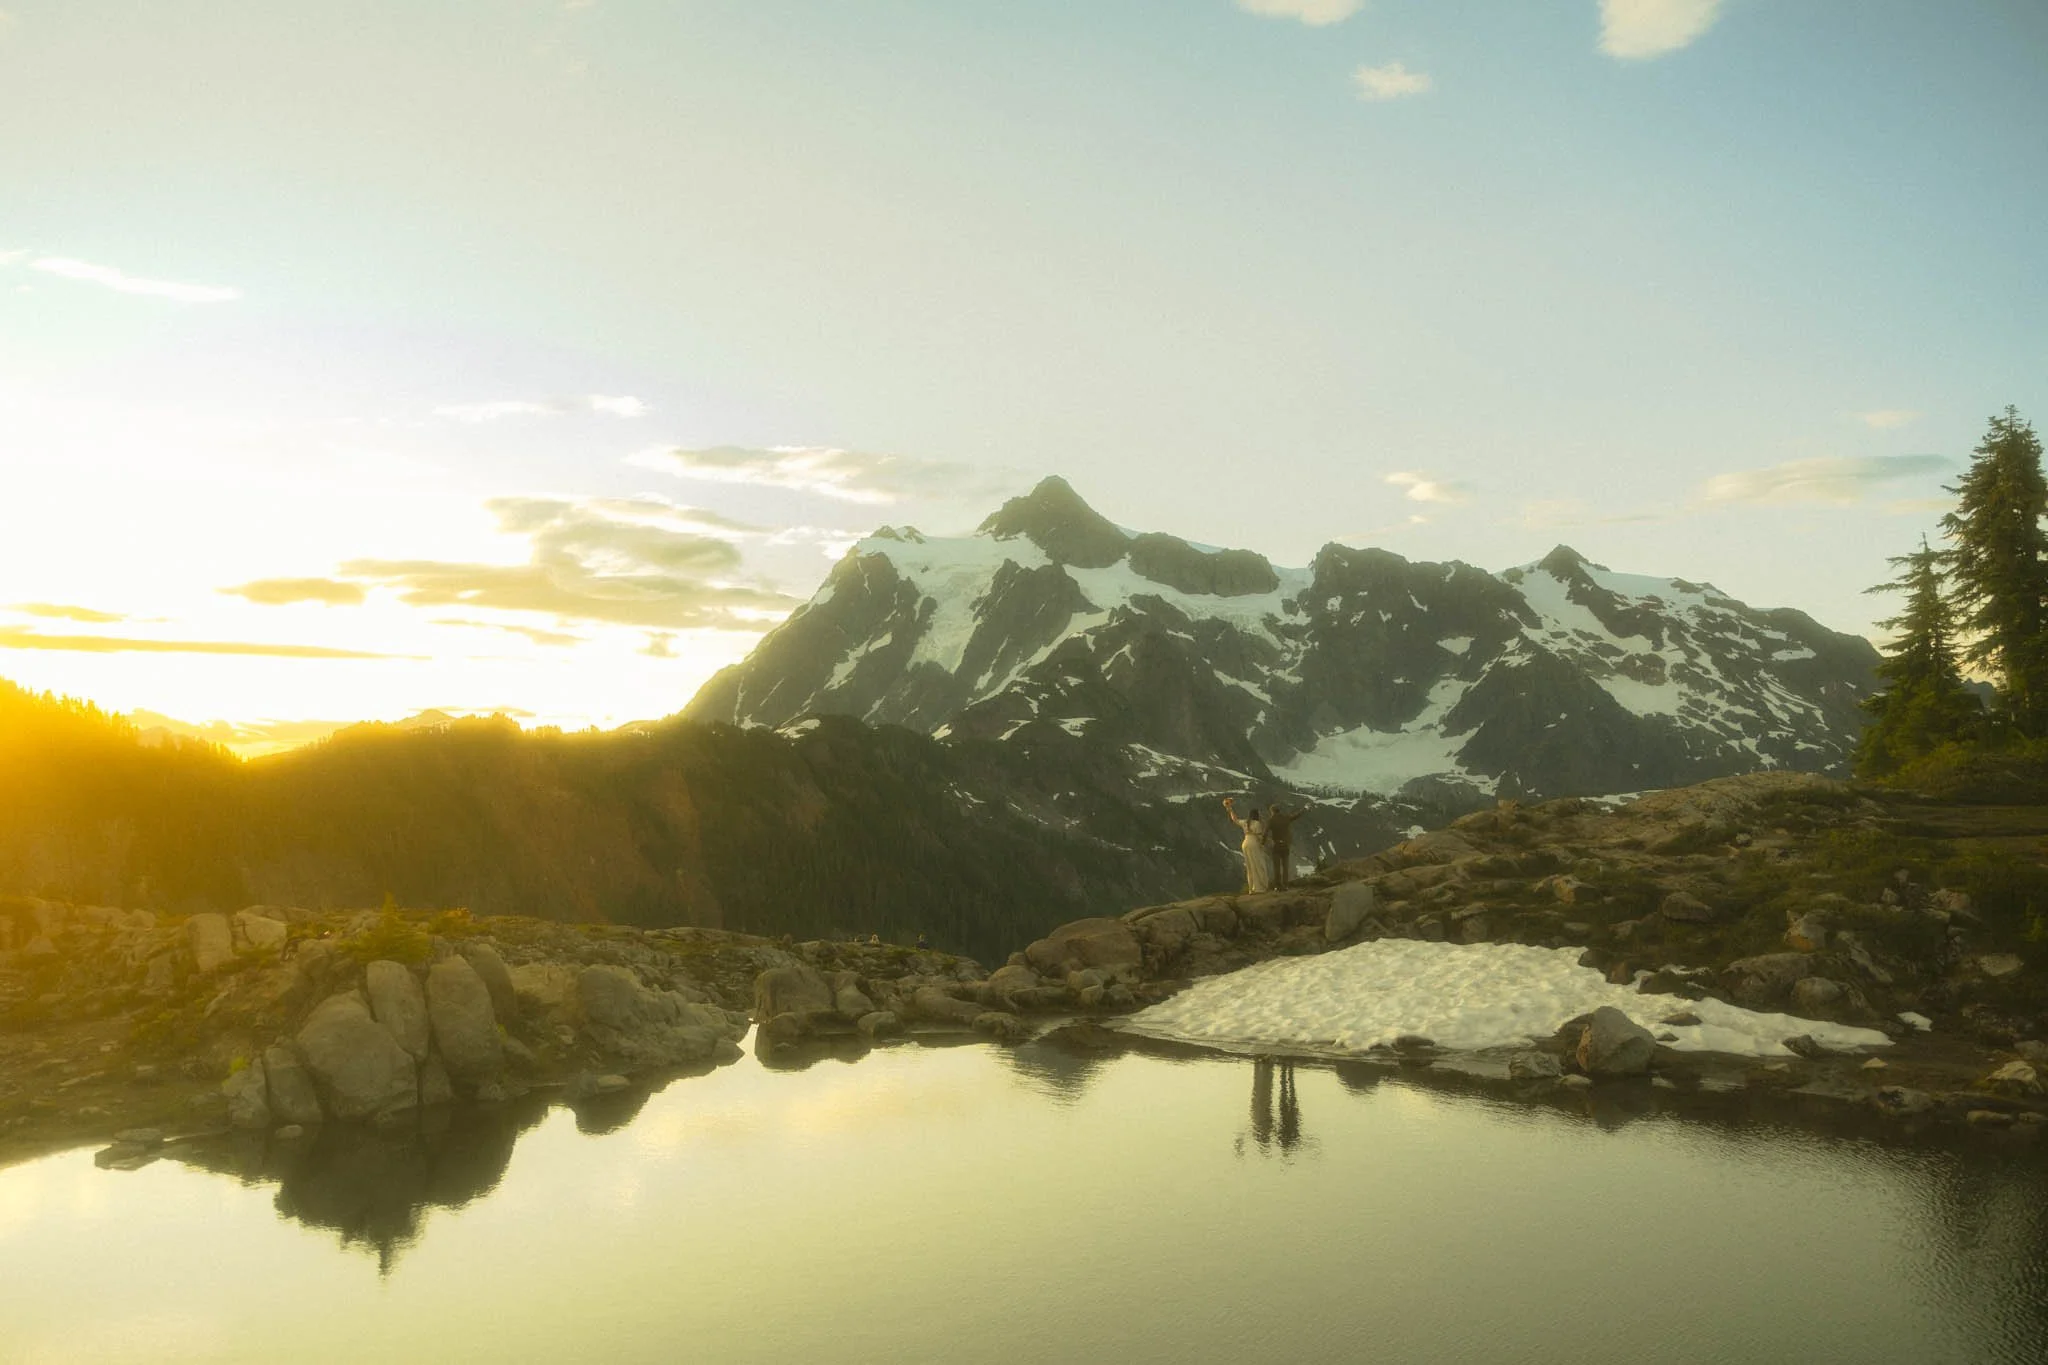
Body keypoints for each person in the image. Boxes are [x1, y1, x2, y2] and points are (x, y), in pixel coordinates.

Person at [1223, 796, 1275, 893]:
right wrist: (1266, 843)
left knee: (1250, 866)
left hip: (1245, 843)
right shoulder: (1257, 824)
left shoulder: (1246, 822)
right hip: (1254, 843)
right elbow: (1260, 837)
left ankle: (1252, 888)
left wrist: (1230, 809)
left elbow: (1235, 819)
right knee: (1259, 864)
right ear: (1257, 815)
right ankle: (1260, 887)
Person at [1264, 803, 1314, 890]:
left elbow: (1265, 833)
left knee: (1277, 866)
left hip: (1276, 845)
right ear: (1279, 811)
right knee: (1285, 866)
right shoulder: (1286, 818)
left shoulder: (1271, 820)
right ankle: (1286, 885)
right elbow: (1296, 815)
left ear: (1272, 812)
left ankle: (1278, 886)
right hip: (1285, 845)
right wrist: (1305, 808)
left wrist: (1262, 843)